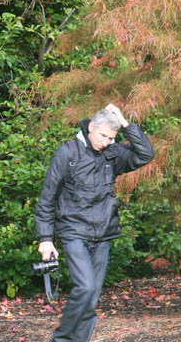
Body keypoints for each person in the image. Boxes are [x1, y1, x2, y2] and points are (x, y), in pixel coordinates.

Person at [35, 103, 155, 342]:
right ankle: (62, 339)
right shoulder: (67, 153)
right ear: (91, 128)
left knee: (91, 298)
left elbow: (145, 154)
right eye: (103, 136)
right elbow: (47, 197)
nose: (107, 142)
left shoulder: (112, 153)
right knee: (86, 288)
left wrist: (123, 122)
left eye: (112, 138)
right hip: (73, 231)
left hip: (103, 234)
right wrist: (45, 239)